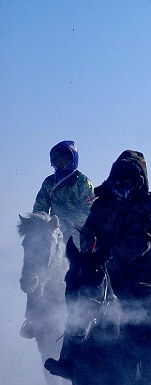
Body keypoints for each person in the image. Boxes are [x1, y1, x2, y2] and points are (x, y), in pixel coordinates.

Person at [45, 150, 151, 385]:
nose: (123, 184)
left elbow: (143, 240)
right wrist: (91, 253)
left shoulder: (149, 206)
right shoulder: (102, 203)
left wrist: (111, 259)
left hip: (145, 271)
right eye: (119, 179)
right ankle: (67, 360)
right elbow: (88, 230)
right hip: (103, 267)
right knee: (79, 297)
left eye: (129, 179)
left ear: (139, 181)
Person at [23, 140, 95, 338]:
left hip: (78, 233)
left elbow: (89, 209)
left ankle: (91, 309)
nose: (60, 163)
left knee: (89, 265)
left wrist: (67, 222)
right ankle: (32, 318)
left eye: (64, 158)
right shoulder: (49, 182)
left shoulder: (82, 182)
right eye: (56, 159)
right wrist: (40, 224)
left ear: (72, 159)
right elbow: (39, 207)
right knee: (35, 263)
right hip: (52, 231)